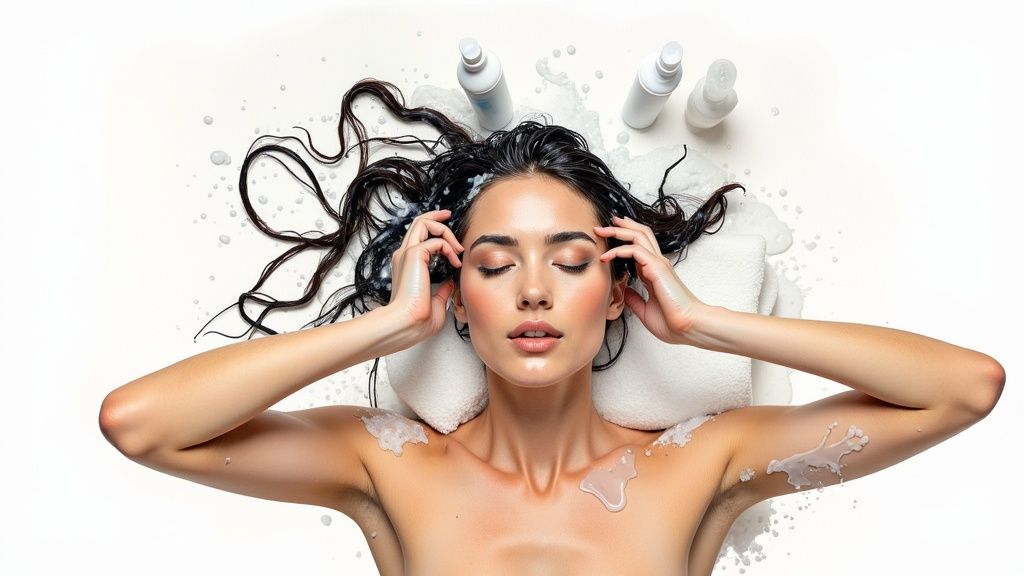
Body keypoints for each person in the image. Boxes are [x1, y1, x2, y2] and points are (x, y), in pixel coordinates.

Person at [98, 79, 1005, 575]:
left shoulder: (700, 462)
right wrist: (381, 329)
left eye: (571, 262)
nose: (533, 290)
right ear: (457, 293)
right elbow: (140, 426)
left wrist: (707, 324)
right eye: (494, 266)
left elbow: (965, 390)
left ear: (616, 293)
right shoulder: (385, 465)